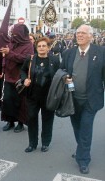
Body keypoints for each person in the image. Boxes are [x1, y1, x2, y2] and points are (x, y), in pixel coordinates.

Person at [60, 24, 105, 174]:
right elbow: (62, 70)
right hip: (72, 99)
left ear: (91, 36)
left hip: (91, 100)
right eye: (78, 33)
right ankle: (81, 150)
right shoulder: (68, 53)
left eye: (83, 33)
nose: (79, 35)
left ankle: (84, 160)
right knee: (77, 126)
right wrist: (65, 77)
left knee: (85, 128)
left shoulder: (101, 52)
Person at [21, 37, 60, 153]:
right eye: (39, 46)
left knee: (47, 119)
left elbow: (59, 74)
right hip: (32, 95)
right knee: (31, 118)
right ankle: (32, 144)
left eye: (44, 46)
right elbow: (22, 71)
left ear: (48, 48)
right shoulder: (31, 59)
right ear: (36, 47)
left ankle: (45, 143)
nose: (41, 48)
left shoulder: (54, 60)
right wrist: (24, 80)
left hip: (48, 96)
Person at [0, 23, 34, 132]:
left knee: (20, 102)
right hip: (9, 76)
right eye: (12, 34)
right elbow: (5, 58)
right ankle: (10, 121)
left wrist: (10, 54)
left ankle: (20, 122)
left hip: (20, 77)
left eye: (16, 35)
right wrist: (2, 68)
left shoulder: (28, 45)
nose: (14, 37)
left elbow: (26, 59)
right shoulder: (10, 44)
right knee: (8, 100)